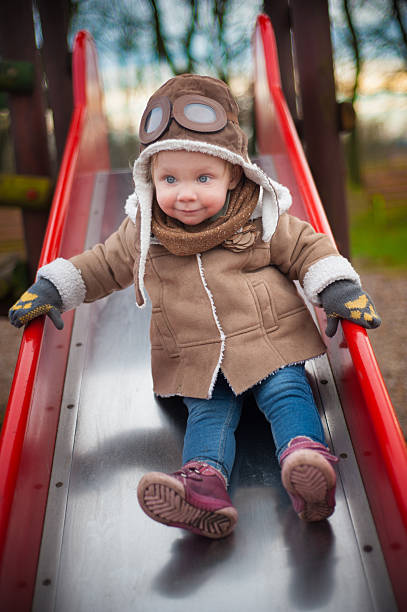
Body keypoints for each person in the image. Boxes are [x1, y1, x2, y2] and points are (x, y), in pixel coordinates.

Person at [9, 74, 380, 540]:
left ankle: (306, 460)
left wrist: (338, 288)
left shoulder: (260, 216)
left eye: (203, 178)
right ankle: (202, 489)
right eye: (169, 179)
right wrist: (53, 288)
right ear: (150, 181)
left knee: (287, 390)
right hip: (197, 359)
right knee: (208, 415)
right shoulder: (144, 231)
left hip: (270, 340)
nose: (185, 193)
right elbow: (101, 264)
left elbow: (308, 248)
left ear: (233, 174)